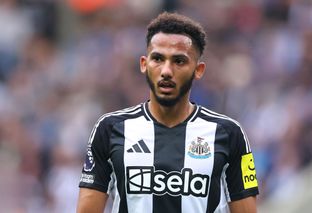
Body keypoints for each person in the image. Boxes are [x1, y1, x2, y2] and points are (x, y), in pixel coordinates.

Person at [77, 12, 259, 213]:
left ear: (198, 70)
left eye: (179, 61)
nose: (166, 70)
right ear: (144, 65)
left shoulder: (228, 134)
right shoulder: (110, 129)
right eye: (158, 59)